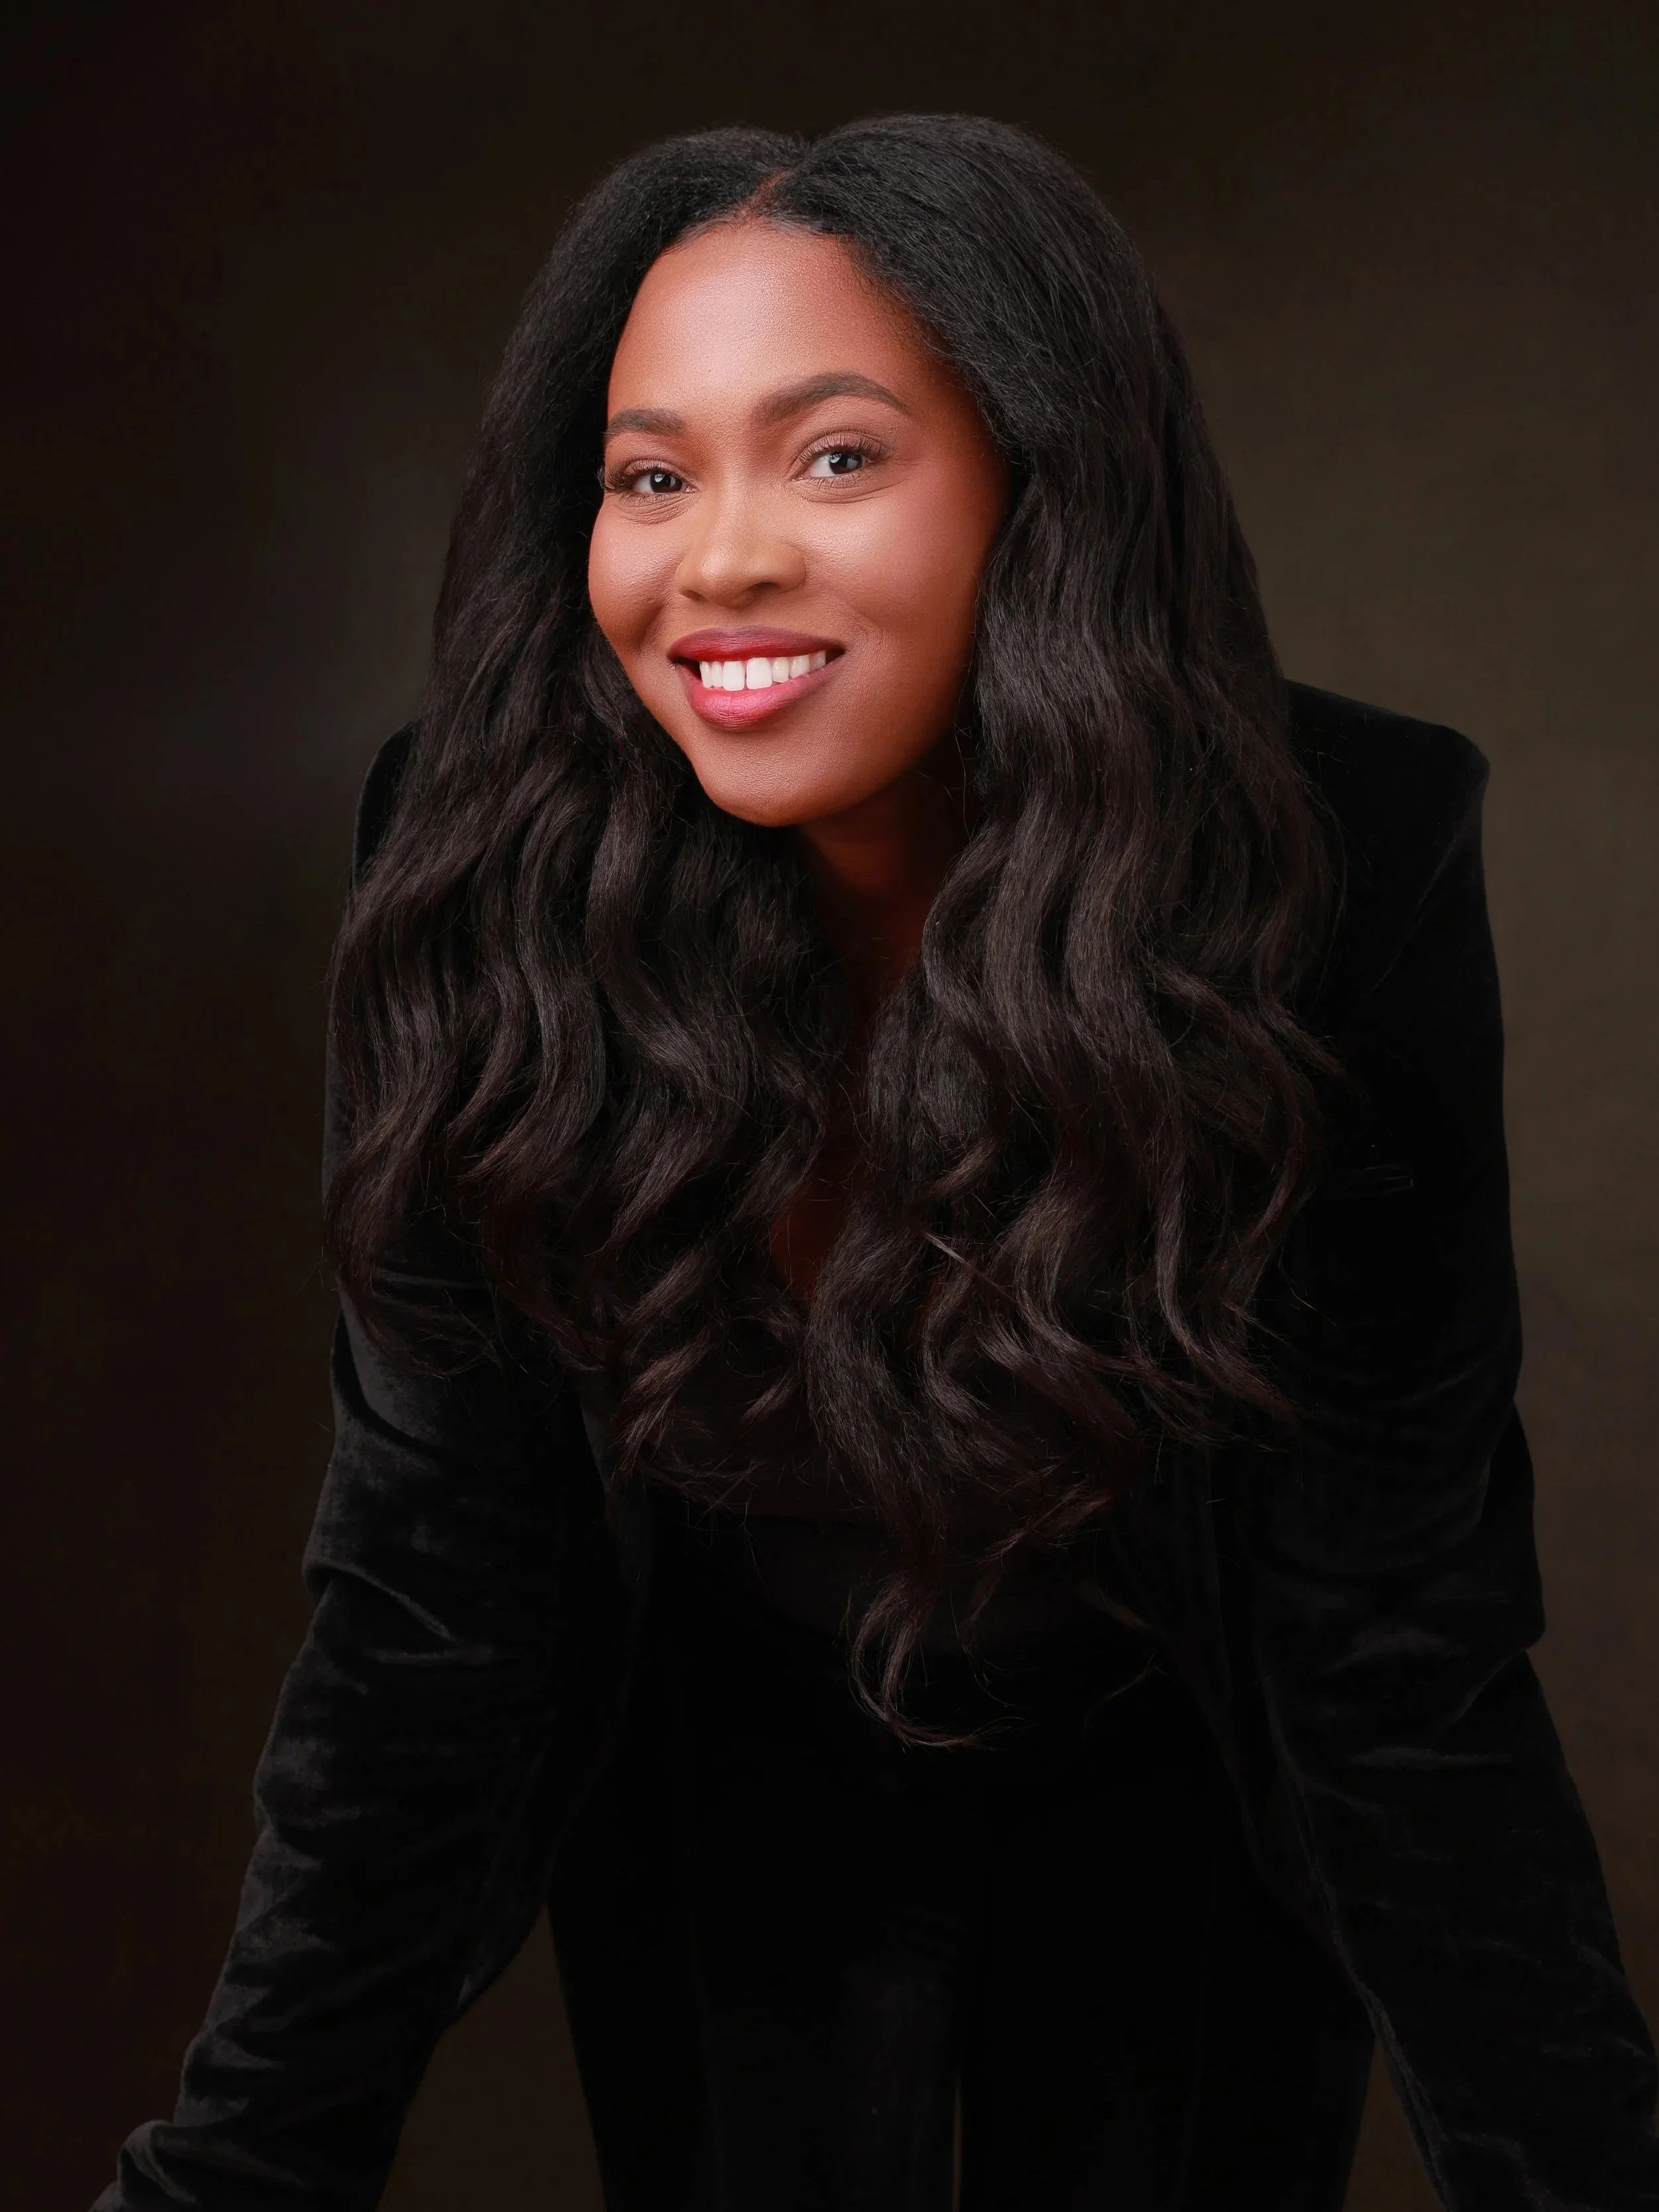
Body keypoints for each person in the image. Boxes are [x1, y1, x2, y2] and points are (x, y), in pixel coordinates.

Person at [97, 115, 1659, 2212]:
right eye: (647, 474)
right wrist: (231, 2172)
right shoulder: (485, 862)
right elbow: (425, 1611)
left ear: (1043, 484)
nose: (717, 558)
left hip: (1178, 1762)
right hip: (720, 1759)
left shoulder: (1338, 863)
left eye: (834, 456)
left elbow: (1390, 1647)